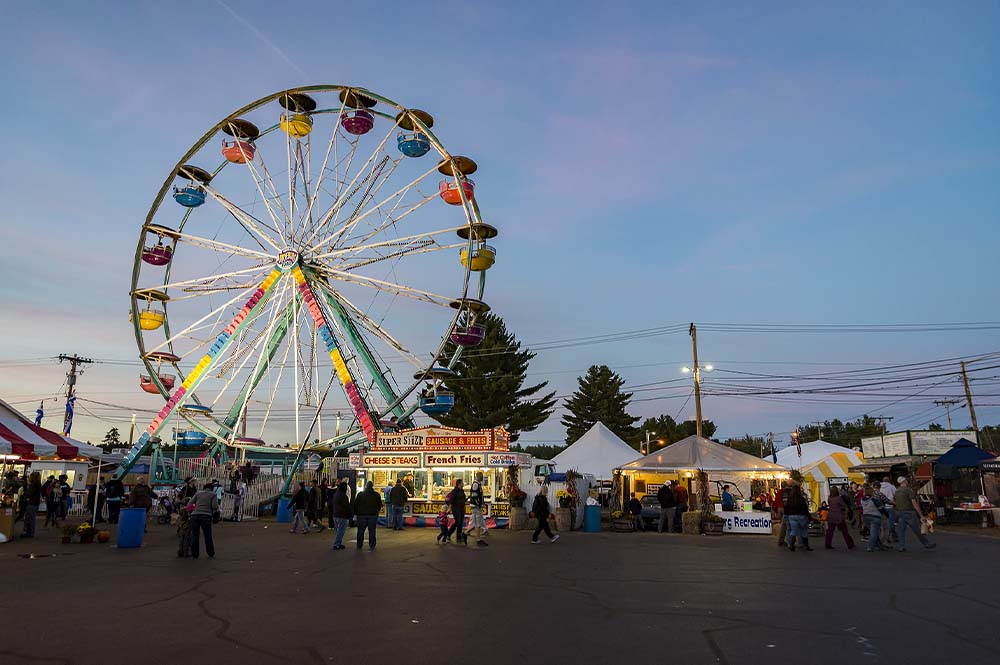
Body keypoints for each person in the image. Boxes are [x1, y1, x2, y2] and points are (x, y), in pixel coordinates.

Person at [894, 476, 936, 552]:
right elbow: (914, 503)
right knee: (917, 529)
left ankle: (901, 546)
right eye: (906, 480)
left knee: (901, 530)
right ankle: (926, 543)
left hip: (900, 512)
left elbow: (895, 502)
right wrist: (921, 515)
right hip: (909, 512)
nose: (907, 481)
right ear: (904, 481)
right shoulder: (908, 490)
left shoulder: (897, 491)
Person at [187, 483, 219, 560]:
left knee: (195, 535)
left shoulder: (198, 493)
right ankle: (210, 553)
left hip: (194, 515)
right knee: (207, 535)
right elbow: (215, 506)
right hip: (206, 516)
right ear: (212, 488)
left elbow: (190, 503)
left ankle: (195, 554)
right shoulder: (213, 494)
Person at [783, 479, 812, 551]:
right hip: (801, 516)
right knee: (804, 531)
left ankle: (791, 545)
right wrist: (809, 517)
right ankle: (806, 546)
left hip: (792, 516)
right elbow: (805, 509)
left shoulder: (790, 498)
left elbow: (787, 507)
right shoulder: (801, 499)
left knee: (793, 531)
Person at [353, 480, 382, 551]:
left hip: (361, 515)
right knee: (372, 530)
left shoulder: (360, 494)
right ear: (372, 486)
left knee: (360, 530)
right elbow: (379, 505)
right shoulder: (376, 495)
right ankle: (372, 544)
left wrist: (356, 513)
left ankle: (359, 544)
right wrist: (376, 511)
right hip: (373, 515)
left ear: (366, 486)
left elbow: (355, 504)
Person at [861, 485, 889, 552]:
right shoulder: (874, 500)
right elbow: (882, 509)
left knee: (874, 532)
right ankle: (870, 547)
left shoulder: (862, 499)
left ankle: (879, 545)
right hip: (875, 517)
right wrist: (887, 515)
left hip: (865, 517)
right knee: (874, 533)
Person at [466, 471, 489, 547]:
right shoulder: (476, 485)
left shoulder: (478, 484)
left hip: (475, 506)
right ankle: (478, 540)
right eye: (482, 476)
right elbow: (475, 496)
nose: (483, 478)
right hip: (476, 506)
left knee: (476, 522)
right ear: (479, 476)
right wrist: (479, 504)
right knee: (478, 523)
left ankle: (466, 533)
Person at [330, 480, 352, 550]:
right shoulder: (344, 496)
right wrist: (350, 514)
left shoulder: (336, 494)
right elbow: (347, 506)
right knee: (341, 531)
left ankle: (339, 543)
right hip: (342, 516)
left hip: (335, 515)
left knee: (337, 531)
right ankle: (336, 544)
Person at [20, 472, 42, 539]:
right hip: (34, 503)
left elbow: (30, 493)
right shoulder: (37, 484)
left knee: (30, 518)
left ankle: (29, 532)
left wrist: (24, 493)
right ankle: (29, 532)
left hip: (32, 503)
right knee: (30, 518)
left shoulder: (34, 484)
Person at [447, 479, 468, 545]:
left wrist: (466, 499)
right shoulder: (454, 491)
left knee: (460, 523)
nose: (463, 484)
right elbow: (451, 500)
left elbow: (463, 499)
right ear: (459, 484)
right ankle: (448, 534)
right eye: (462, 483)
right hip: (456, 508)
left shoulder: (462, 491)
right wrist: (449, 508)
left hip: (461, 508)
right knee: (457, 522)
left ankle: (458, 537)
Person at [879, 477, 898, 543]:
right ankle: (891, 536)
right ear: (889, 480)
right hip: (890, 506)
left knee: (884, 524)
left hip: (882, 507)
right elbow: (896, 495)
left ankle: (886, 537)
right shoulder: (892, 486)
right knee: (891, 522)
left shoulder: (879, 486)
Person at [774, 482, 789, 547]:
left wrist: (775, 509)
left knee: (783, 523)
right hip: (783, 508)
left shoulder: (779, 491)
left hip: (779, 507)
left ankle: (781, 540)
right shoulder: (784, 492)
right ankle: (782, 540)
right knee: (785, 525)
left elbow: (776, 500)